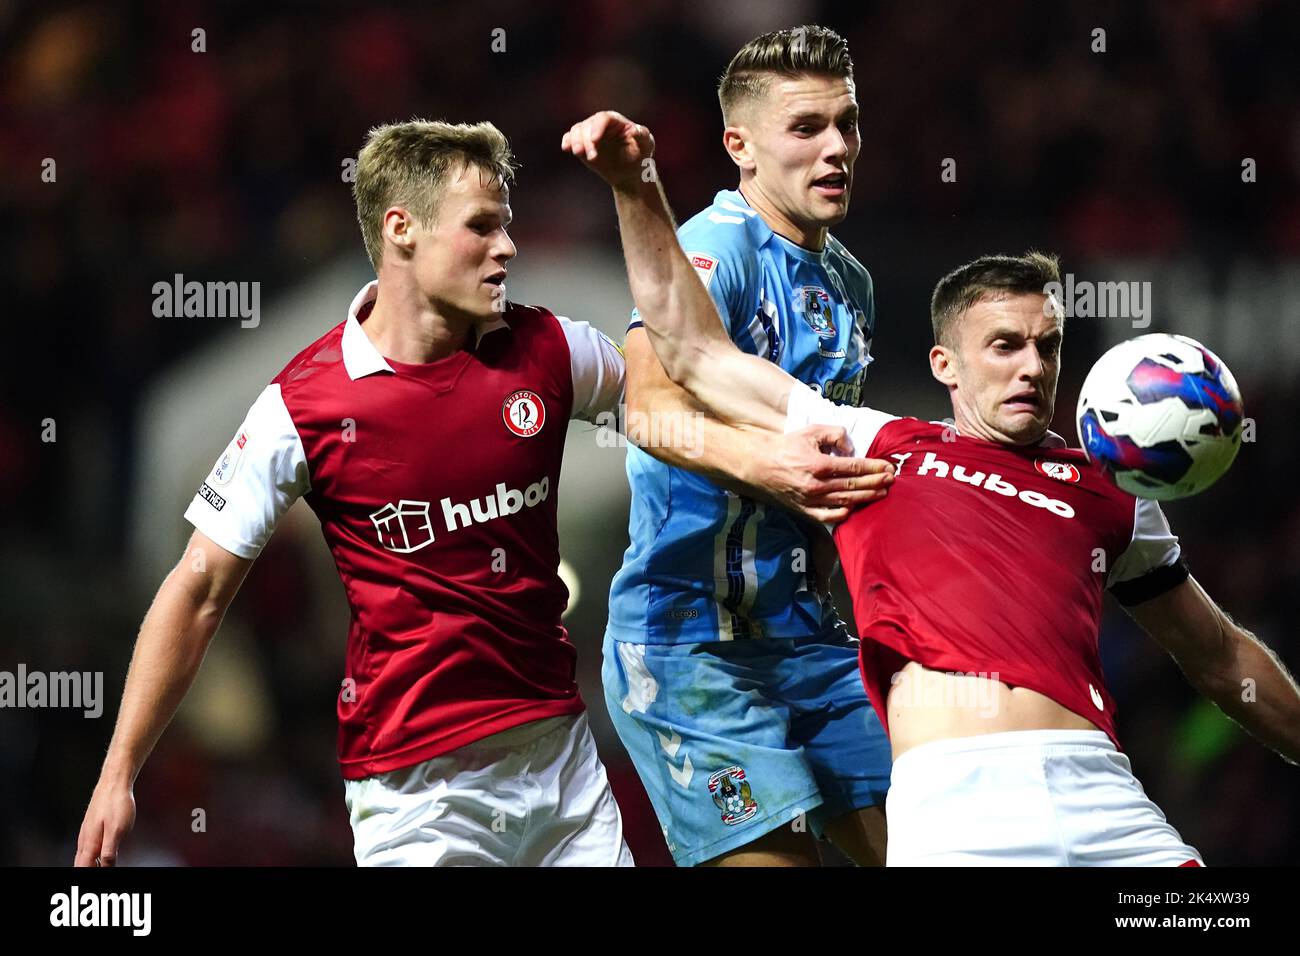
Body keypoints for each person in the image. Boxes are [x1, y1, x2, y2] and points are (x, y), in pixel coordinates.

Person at [568, 112, 1300, 865]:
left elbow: (1220, 656)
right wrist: (636, 185)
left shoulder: (1110, 491)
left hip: (1106, 802)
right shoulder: (881, 447)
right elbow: (693, 349)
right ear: (945, 365)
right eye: (1005, 346)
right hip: (956, 815)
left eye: (1045, 347)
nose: (1031, 368)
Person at [76, 118, 646, 867]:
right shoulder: (302, 407)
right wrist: (119, 771)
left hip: (565, 768)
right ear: (401, 230)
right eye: (483, 226)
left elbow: (682, 409)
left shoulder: (551, 347)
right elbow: (199, 587)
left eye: (506, 225)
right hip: (416, 794)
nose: (508, 248)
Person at [585, 24, 895, 868]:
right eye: (806, 129)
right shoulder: (718, 249)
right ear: (741, 147)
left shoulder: (851, 282)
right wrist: (773, 468)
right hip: (692, 655)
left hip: (808, 640)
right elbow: (648, 409)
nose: (837, 148)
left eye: (848, 124)